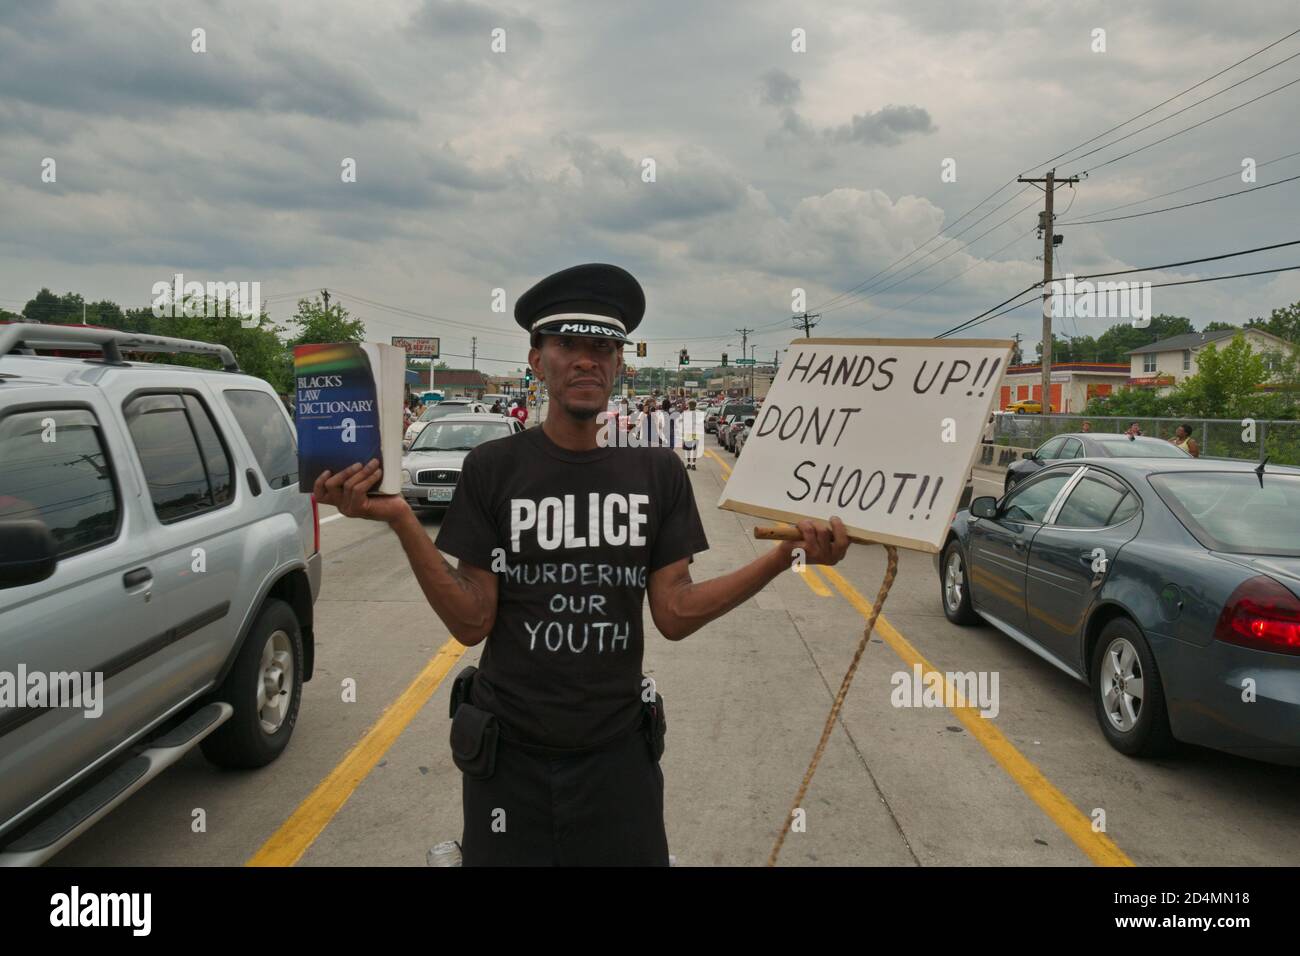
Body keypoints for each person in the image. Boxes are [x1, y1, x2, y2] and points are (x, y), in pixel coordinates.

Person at [312, 262, 849, 866]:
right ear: (537, 360)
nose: (585, 360)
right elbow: (471, 622)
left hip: (617, 759)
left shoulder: (657, 475)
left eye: (602, 347)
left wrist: (782, 558)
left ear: (621, 365)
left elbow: (673, 612)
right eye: (566, 343)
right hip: (507, 757)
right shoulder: (492, 469)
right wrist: (404, 521)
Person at [680, 399, 705, 470]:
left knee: (688, 449)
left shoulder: (685, 413)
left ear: (689, 405)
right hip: (696, 433)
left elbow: (680, 422)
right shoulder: (699, 413)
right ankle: (693, 464)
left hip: (688, 433)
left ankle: (689, 463)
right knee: (695, 449)